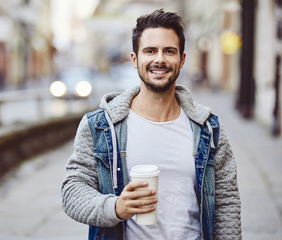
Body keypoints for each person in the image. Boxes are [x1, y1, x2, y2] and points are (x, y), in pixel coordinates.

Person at [61, 9, 241, 240]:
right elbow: (72, 190)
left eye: (169, 51)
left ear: (182, 59)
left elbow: (227, 201)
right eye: (150, 51)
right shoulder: (100, 127)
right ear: (135, 59)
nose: (159, 59)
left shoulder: (208, 129)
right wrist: (115, 208)